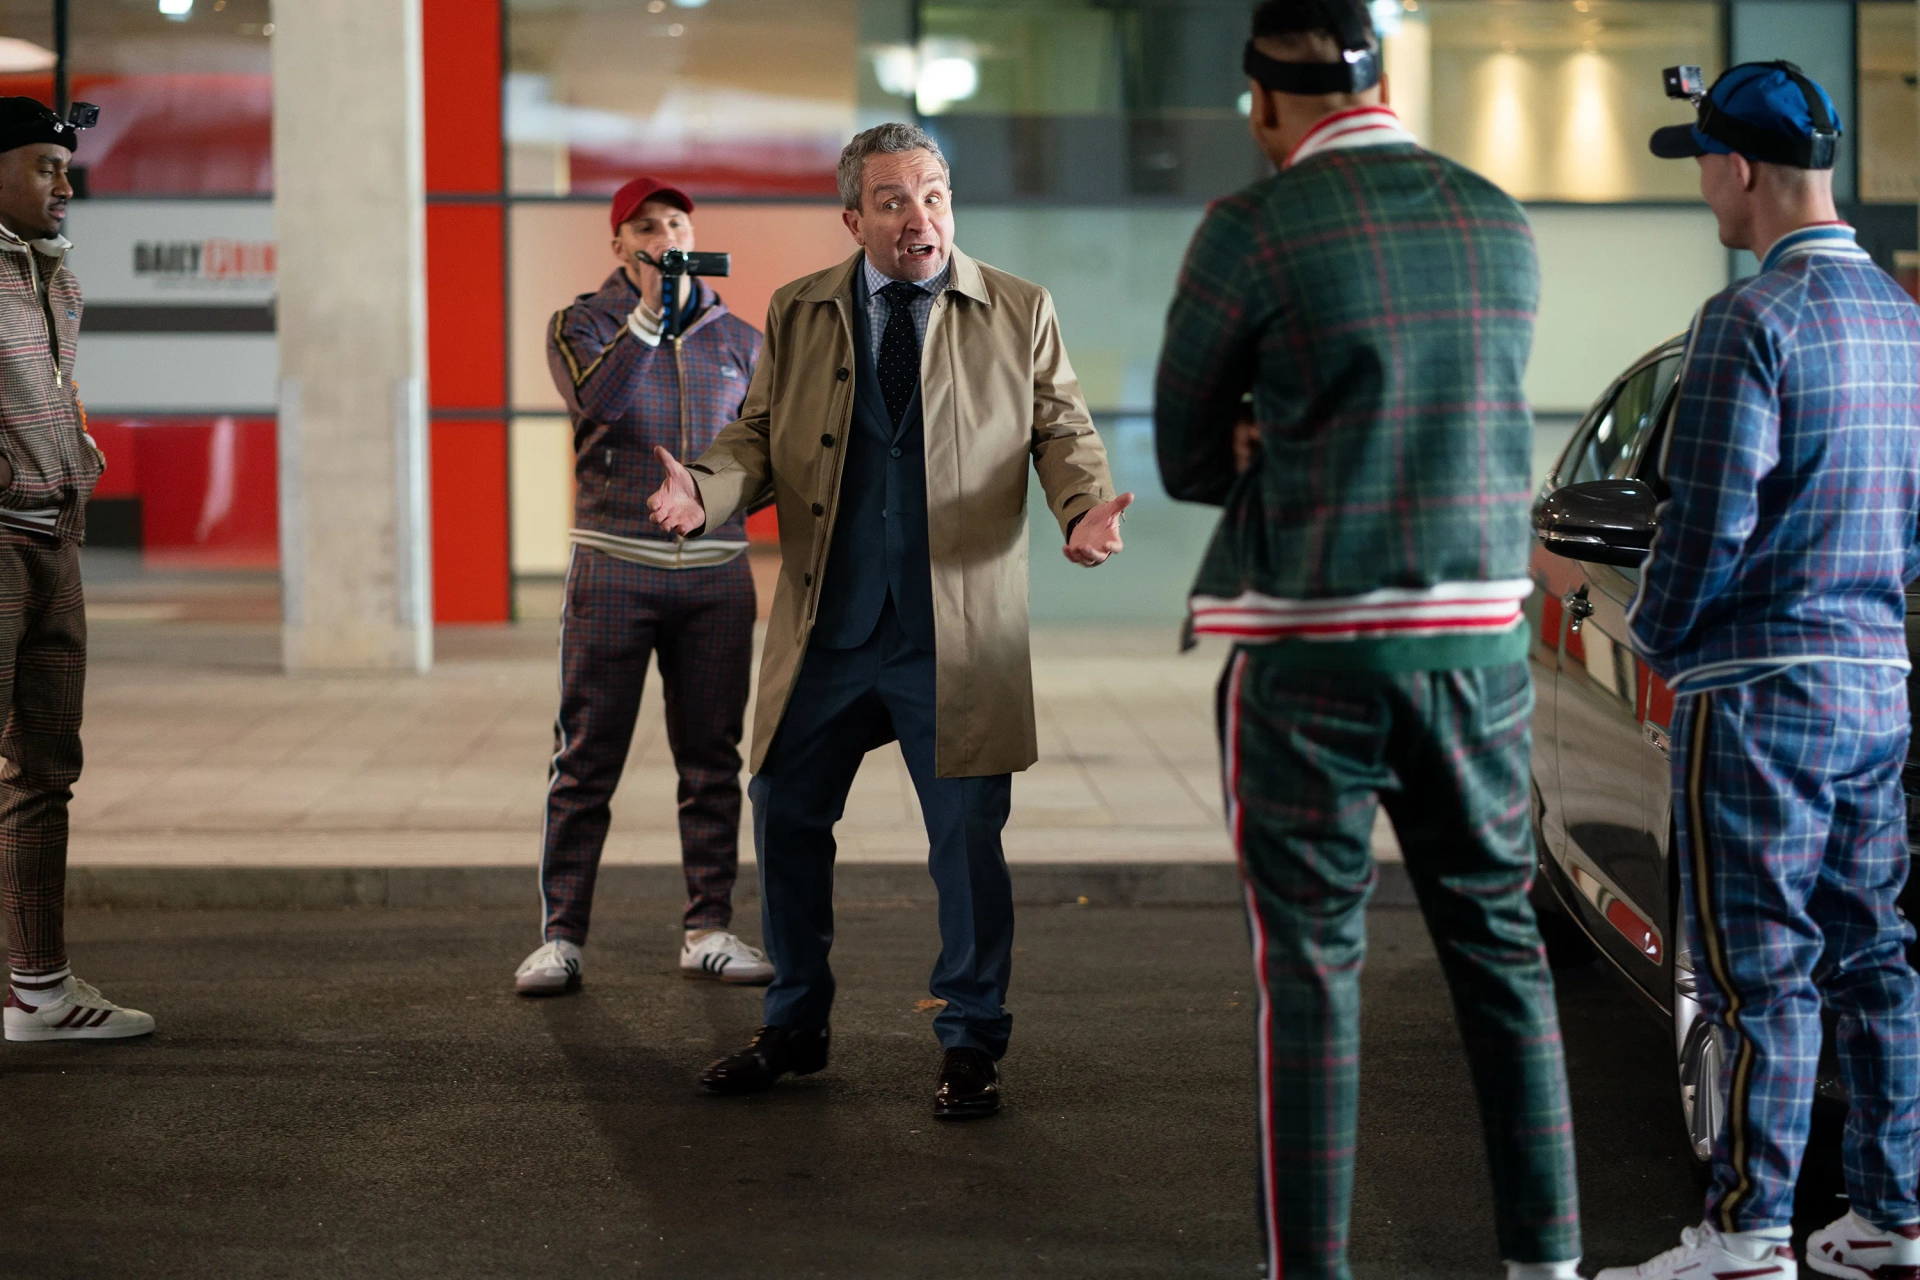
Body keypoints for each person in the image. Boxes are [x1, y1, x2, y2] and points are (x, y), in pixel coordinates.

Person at [1154, 3, 1581, 1276]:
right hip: (1476, 652)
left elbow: (1183, 453)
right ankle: (1549, 1259)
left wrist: (1267, 432)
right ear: (1382, 78)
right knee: (1503, 953)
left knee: (1312, 973)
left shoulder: (1253, 225)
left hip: (1309, 659)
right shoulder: (1494, 216)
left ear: (1266, 103)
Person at [646, 122, 1131, 1119]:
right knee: (783, 811)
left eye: (935, 195)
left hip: (952, 632)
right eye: (896, 200)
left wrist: (1082, 505)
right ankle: (794, 1022)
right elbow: (758, 434)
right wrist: (709, 488)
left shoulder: (1017, 308)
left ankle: (970, 1039)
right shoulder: (801, 307)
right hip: (830, 620)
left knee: (964, 841)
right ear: (853, 217)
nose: (922, 217)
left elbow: (1061, 425)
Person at [1598, 62, 1920, 1280]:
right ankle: (1890, 1220)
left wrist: (1662, 639)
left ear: (1737, 168)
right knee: (1875, 954)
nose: (1704, 194)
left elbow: (1707, 521)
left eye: (1701, 166)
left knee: (1756, 971)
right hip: (1874, 685)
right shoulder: (1904, 321)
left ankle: (1743, 1232)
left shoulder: (1747, 318)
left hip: (1760, 695)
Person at [513, 176, 774, 996]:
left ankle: (709, 928)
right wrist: (649, 314)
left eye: (677, 220)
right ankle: (560, 937)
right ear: (619, 244)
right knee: (586, 761)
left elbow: (766, 457)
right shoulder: (581, 323)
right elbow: (598, 404)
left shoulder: (744, 340)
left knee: (711, 761)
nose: (665, 232)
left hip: (717, 582)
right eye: (647, 225)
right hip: (613, 571)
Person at [0, 99, 151, 1042]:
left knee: (47, 770)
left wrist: (74, 466)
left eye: (66, 168)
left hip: (53, 540)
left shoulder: (57, 282)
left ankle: (40, 993)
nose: (64, 184)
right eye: (43, 167)